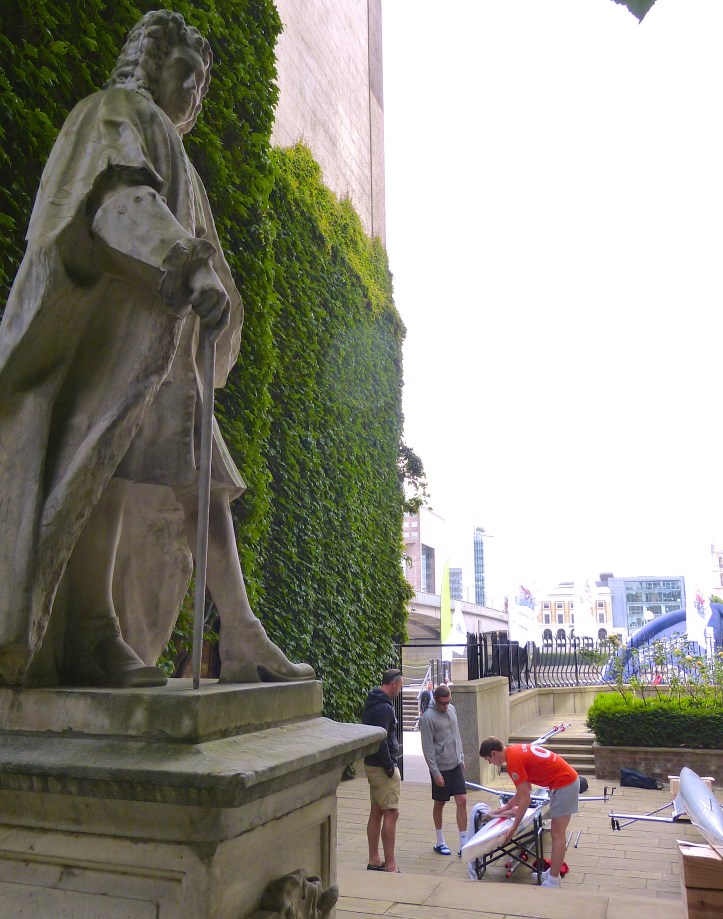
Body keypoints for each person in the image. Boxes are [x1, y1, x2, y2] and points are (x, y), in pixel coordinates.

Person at [0, 10, 315, 688]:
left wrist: (208, 294)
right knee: (109, 467)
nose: (195, 92)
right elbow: (116, 203)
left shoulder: (176, 153)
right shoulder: (117, 111)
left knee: (204, 480)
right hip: (114, 342)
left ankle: (240, 631)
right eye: (186, 74)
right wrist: (187, 267)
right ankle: (93, 629)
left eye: (202, 84)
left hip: (162, 347)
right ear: (150, 63)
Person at [479, 736, 579, 888]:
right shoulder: (514, 752)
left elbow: (525, 799)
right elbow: (524, 790)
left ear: (493, 754)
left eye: (488, 759)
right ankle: (553, 872)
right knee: (556, 833)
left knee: (557, 833)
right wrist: (506, 807)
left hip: (565, 784)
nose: (489, 763)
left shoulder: (513, 763)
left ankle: (553, 881)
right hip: (564, 782)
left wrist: (514, 828)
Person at [361, 668, 404, 873]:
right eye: (400, 686)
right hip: (382, 767)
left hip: (372, 763)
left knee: (377, 810)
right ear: (394, 684)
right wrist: (389, 766)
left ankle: (374, 860)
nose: (400, 690)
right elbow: (381, 740)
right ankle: (391, 865)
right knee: (392, 812)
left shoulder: (373, 702)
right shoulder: (384, 708)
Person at [420, 683, 468, 856]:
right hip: (440, 767)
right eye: (442, 703)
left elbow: (457, 735)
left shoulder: (452, 710)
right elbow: (427, 747)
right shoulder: (427, 718)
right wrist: (435, 773)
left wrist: (461, 758)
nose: (445, 706)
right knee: (439, 803)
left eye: (448, 702)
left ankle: (464, 842)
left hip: (455, 764)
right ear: (435, 699)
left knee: (462, 800)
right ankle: (440, 841)